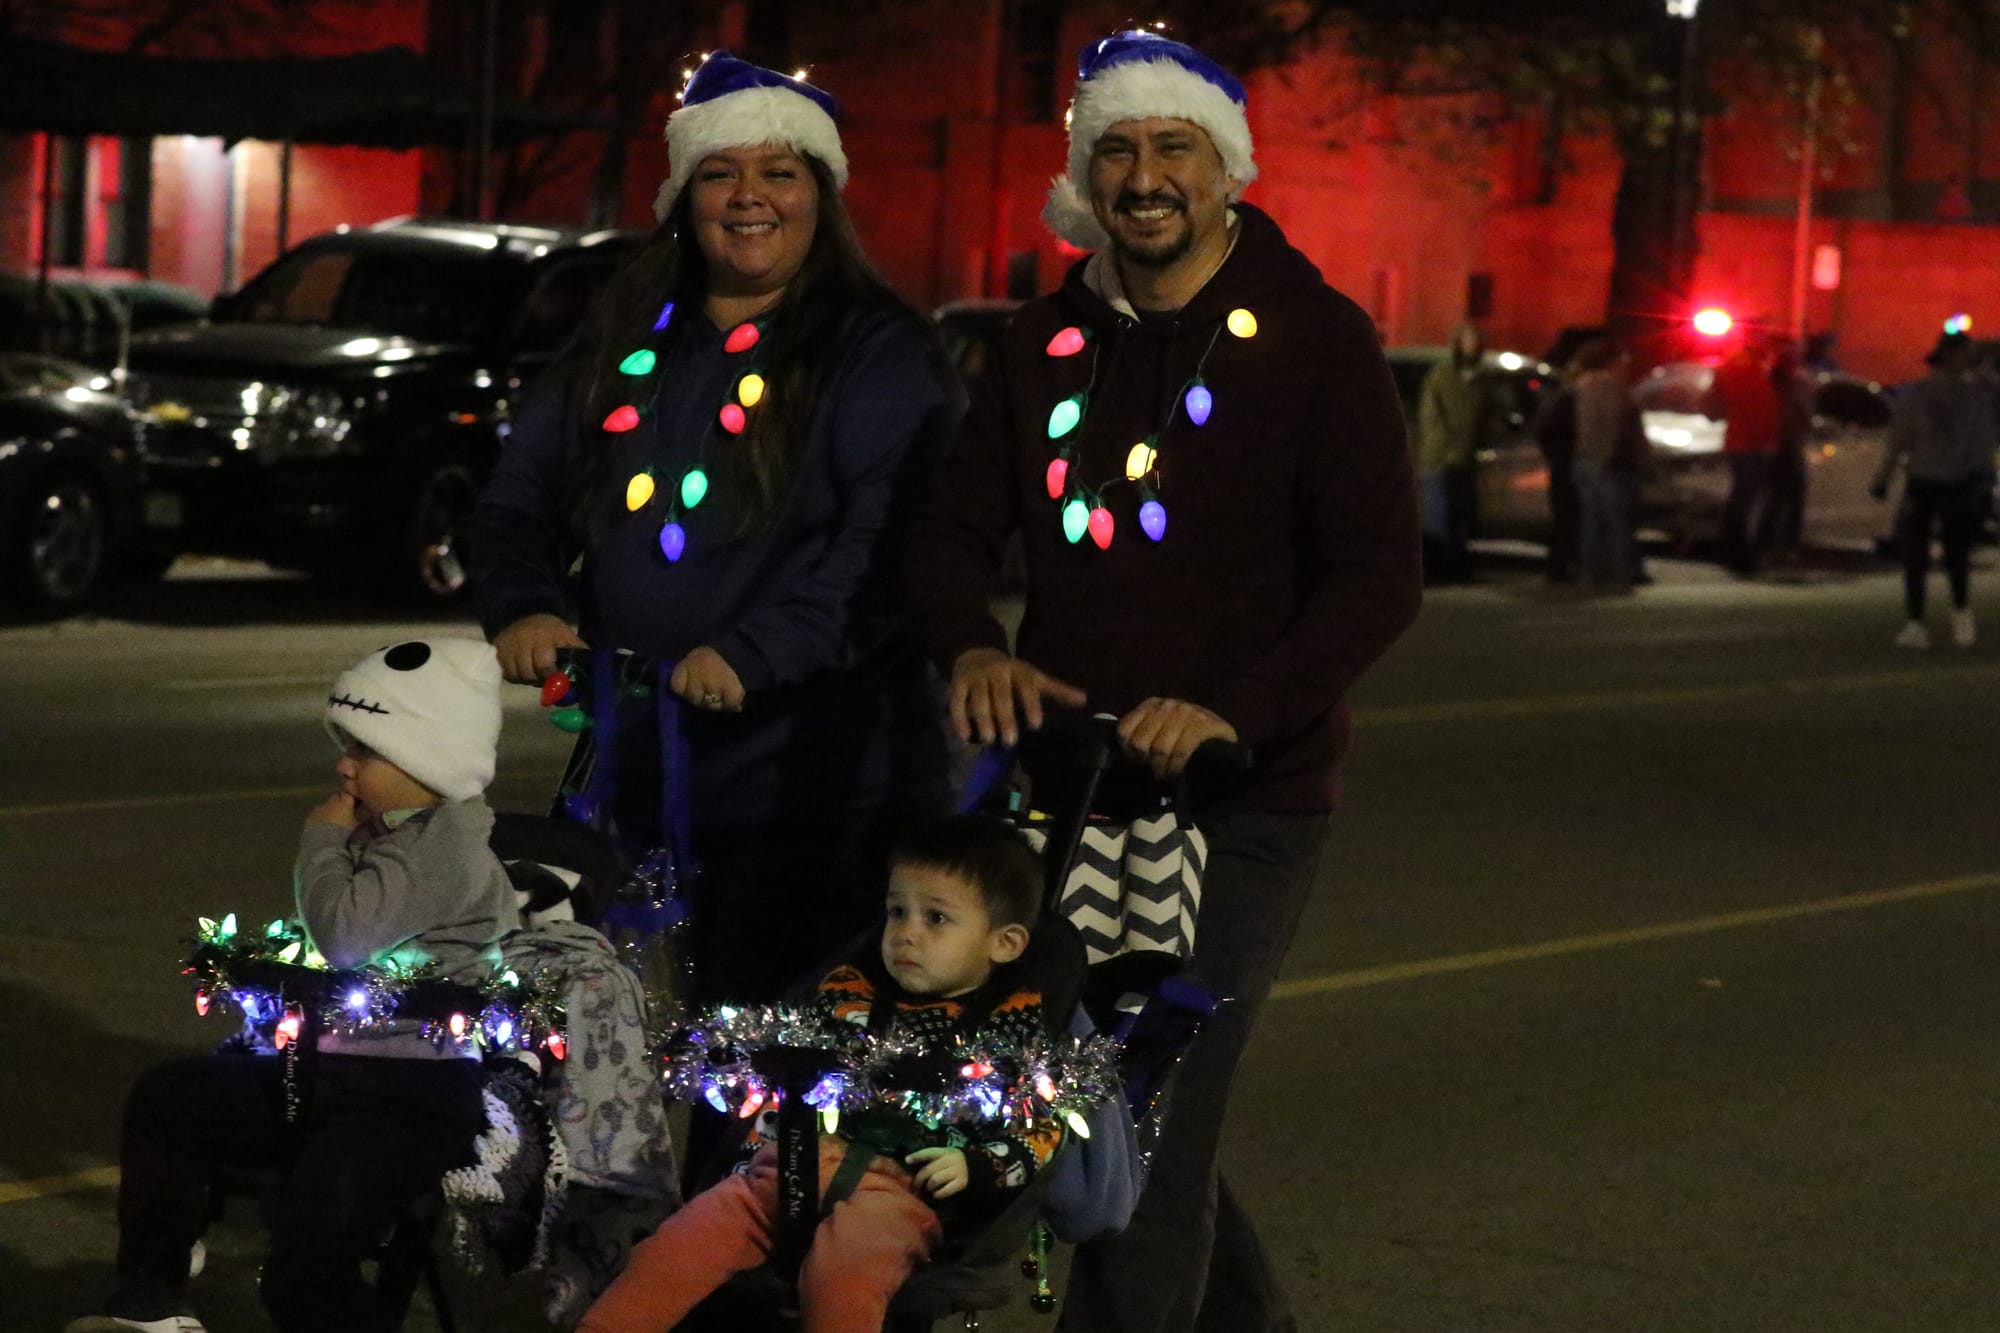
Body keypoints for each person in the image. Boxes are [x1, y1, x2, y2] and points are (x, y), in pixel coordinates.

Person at [902, 29, 1422, 1333]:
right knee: (1105, 1102)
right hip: (1071, 796)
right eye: (1117, 150)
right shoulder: (1040, 342)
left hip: (1243, 803)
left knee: (1141, 1109)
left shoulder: (1316, 338)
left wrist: (1236, 710)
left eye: (1172, 149)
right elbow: (947, 532)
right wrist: (971, 644)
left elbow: (1377, 575)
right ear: (1085, 174)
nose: (1144, 178)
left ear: (1225, 170)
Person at [470, 53, 960, 1015]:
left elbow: (888, 545)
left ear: (820, 194)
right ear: (683, 195)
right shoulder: (627, 334)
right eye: (719, 172)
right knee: (626, 1045)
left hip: (819, 793)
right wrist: (526, 603)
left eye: (779, 171)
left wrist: (756, 651)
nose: (748, 197)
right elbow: (517, 494)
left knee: (775, 1060)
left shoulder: (879, 350)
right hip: (644, 773)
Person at [66, 638, 518, 1333]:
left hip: (407, 1098)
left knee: (302, 1280)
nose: (344, 765)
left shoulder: (447, 845)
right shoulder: (393, 831)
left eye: (364, 750)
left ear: (426, 759)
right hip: (327, 1075)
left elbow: (344, 933)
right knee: (171, 1099)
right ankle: (151, 1303)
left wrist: (323, 840)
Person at [577, 815, 1068, 1333]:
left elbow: (1043, 1126)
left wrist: (977, 1165)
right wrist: (751, 1137)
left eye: (936, 918)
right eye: (896, 912)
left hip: (894, 1193)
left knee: (845, 1275)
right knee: (678, 1243)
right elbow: (785, 1077)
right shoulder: (847, 993)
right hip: (784, 1168)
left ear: (1004, 943)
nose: (905, 933)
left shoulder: (1008, 1030)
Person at [1871, 328, 1998, 649]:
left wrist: (1884, 478)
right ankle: (1951, 616)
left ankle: (1926, 620)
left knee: (1927, 554)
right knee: (1947, 552)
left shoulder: (1949, 394)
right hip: (1946, 481)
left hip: (1936, 481)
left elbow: (1900, 439)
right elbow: (1982, 442)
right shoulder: (1969, 395)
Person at [1705, 330, 1783, 576]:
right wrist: (1768, 442)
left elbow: (1713, 408)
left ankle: (1732, 552)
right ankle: (1739, 554)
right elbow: (1763, 414)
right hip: (1752, 446)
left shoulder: (1729, 372)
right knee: (1747, 502)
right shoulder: (1752, 375)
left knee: (1741, 499)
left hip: (1740, 443)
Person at [1569, 338, 1645, 589]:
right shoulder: (1610, 388)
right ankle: (1622, 572)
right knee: (1617, 520)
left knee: (1591, 520)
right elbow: (1612, 426)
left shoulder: (1581, 385)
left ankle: (1590, 572)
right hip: (1607, 463)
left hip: (1583, 460)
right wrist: (1609, 457)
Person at [1415, 322, 1487, 582]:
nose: (1472, 345)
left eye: (1476, 340)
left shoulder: (1480, 377)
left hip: (1465, 460)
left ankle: (1457, 567)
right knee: (1439, 517)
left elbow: (1481, 418)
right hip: (1440, 460)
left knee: (1460, 516)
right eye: (1467, 340)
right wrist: (1448, 450)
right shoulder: (1442, 375)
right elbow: (1431, 417)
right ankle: (1438, 569)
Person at [1764, 340, 1814, 569]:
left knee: (1775, 501)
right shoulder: (1796, 384)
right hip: (1788, 447)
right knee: (1791, 501)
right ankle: (1785, 549)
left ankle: (1770, 548)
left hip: (1768, 447)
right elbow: (1804, 415)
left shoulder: (1769, 382)